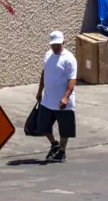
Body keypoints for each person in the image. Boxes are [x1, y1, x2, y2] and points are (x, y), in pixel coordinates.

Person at [36, 31, 78, 163]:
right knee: (42, 126)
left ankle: (62, 152)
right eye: (53, 45)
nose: (55, 47)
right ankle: (54, 144)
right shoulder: (48, 55)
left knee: (64, 129)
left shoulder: (69, 58)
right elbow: (45, 73)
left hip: (63, 103)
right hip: (48, 100)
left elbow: (72, 80)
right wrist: (39, 91)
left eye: (57, 45)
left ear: (63, 43)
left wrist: (65, 97)